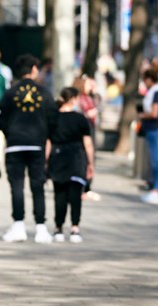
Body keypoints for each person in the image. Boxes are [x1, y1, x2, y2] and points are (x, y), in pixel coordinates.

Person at [0, 54, 58, 244]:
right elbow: (53, 119)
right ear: (34, 70)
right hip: (37, 144)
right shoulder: (44, 93)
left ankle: (18, 225)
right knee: (38, 186)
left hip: (14, 144)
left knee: (17, 186)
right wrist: (47, 137)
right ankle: (40, 227)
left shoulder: (10, 93)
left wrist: (8, 131)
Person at [45, 87, 95, 243]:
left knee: (59, 193)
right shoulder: (81, 119)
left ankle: (58, 228)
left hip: (58, 157)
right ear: (73, 99)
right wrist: (91, 163)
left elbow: (48, 142)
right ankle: (75, 228)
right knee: (75, 194)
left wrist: (45, 161)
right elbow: (88, 143)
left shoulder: (53, 118)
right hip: (76, 157)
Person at [138, 69, 158, 205]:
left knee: (155, 160)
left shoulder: (156, 92)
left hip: (154, 128)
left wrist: (142, 115)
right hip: (154, 129)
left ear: (149, 79)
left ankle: (156, 188)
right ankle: (154, 187)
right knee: (153, 159)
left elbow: (155, 112)